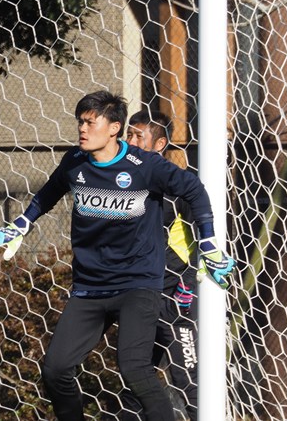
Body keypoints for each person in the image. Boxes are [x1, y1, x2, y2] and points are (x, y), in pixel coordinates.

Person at [0, 91, 235, 421]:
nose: (82, 129)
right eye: (80, 122)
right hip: (90, 287)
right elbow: (48, 192)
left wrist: (209, 242)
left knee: (135, 369)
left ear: (114, 128)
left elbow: (194, 191)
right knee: (55, 369)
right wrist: (22, 224)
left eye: (90, 122)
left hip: (138, 285)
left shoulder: (145, 166)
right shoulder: (75, 162)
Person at [122, 110, 198, 420]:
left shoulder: (180, 185)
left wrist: (187, 287)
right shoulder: (122, 184)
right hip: (139, 297)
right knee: (133, 382)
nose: (130, 142)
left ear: (160, 144)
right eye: (128, 135)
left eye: (138, 136)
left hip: (174, 299)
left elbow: (203, 242)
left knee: (189, 381)